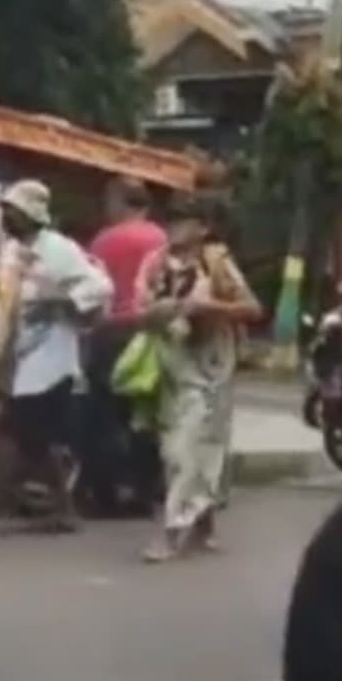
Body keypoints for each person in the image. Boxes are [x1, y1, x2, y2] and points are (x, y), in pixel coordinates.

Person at [0, 179, 113, 538]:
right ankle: (63, 510)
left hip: (50, 358)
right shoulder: (14, 251)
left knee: (10, 434)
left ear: (31, 214)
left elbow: (98, 287)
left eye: (12, 212)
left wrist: (58, 302)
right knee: (37, 441)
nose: (5, 219)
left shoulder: (58, 249)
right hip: (20, 353)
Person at [135, 194, 262, 563]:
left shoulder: (217, 263)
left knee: (186, 448)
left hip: (212, 369)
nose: (174, 226)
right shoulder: (155, 263)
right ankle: (202, 522)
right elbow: (138, 312)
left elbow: (253, 308)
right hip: (171, 366)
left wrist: (211, 307)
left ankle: (170, 533)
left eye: (184, 220)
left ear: (203, 228)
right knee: (180, 447)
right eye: (171, 219)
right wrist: (158, 312)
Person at [83, 176, 167, 517]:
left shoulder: (105, 240)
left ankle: (104, 493)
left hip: (110, 332)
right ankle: (144, 491)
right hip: (148, 333)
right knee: (144, 414)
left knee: (103, 415)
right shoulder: (160, 239)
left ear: (120, 202)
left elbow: (92, 287)